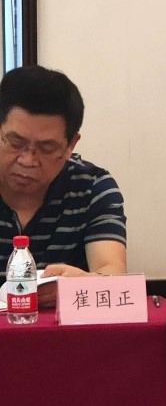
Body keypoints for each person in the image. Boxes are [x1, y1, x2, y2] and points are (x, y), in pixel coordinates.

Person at [0, 66, 126, 306]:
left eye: (46, 148)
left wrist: (84, 284)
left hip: (62, 327)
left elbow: (112, 274)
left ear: (71, 144)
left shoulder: (93, 188)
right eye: (16, 143)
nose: (27, 160)